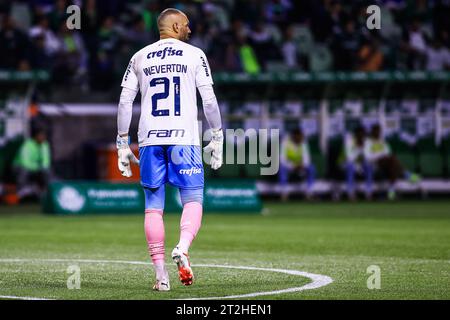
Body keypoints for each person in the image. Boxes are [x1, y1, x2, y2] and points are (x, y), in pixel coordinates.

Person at [116, 8, 223, 291]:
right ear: (175, 27)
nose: (190, 30)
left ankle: (161, 277)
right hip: (184, 138)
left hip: (150, 138)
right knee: (193, 199)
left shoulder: (139, 56)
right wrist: (217, 135)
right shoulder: (195, 54)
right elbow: (209, 101)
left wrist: (122, 142)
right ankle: (183, 247)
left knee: (153, 207)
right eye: (186, 25)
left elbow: (125, 102)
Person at [364, 124, 420, 200]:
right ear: (372, 132)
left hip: (386, 163)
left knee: (393, 164)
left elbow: (388, 152)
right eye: (376, 131)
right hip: (374, 164)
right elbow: (367, 156)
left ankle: (391, 191)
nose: (378, 133)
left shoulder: (382, 141)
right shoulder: (368, 142)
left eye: (379, 131)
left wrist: (382, 155)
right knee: (392, 160)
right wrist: (380, 155)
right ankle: (406, 175)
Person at [13, 127, 51, 200]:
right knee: (23, 171)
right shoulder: (27, 144)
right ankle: (21, 191)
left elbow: (46, 161)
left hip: (35, 168)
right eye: (41, 135)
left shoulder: (45, 145)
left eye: (44, 136)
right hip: (19, 167)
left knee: (48, 171)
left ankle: (46, 192)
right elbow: (24, 162)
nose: (43, 137)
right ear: (35, 136)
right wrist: (37, 168)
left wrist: (42, 168)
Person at [279, 128, 316, 201]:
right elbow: (282, 159)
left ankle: (309, 192)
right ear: (294, 136)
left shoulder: (303, 143)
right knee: (281, 168)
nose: (301, 139)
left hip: (300, 166)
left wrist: (302, 165)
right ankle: (284, 193)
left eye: (302, 137)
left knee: (311, 168)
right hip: (289, 167)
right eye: (299, 137)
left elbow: (307, 158)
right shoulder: (285, 142)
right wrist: (293, 166)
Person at [340, 126, 371, 200]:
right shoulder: (349, 140)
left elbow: (367, 157)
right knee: (351, 166)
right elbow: (349, 157)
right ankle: (350, 193)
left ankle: (368, 192)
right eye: (360, 134)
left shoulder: (366, 142)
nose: (362, 137)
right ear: (356, 134)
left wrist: (363, 148)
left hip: (358, 165)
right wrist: (358, 148)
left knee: (369, 166)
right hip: (344, 163)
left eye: (364, 135)